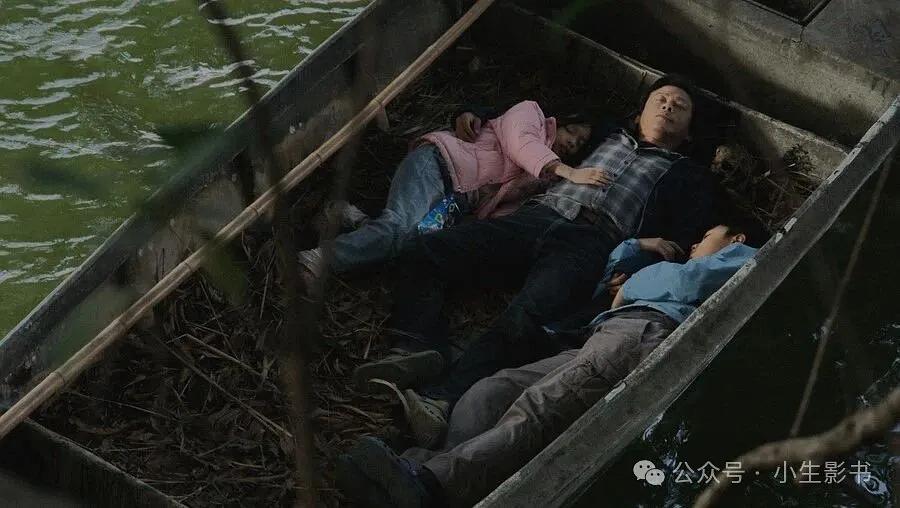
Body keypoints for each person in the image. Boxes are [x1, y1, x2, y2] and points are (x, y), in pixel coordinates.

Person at [354, 74, 724, 420]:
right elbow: (540, 115)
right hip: (536, 216)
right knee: (426, 250)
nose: (668, 106)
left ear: (690, 130)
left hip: (593, 242)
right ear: (640, 110)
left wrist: (634, 266)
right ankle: (416, 344)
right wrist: (476, 112)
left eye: (679, 106)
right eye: (661, 98)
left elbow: (679, 241)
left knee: (527, 318)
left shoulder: (691, 177)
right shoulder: (605, 131)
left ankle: (441, 400)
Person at [337, 222, 761, 508]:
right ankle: (427, 471)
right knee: (495, 389)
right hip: (603, 334)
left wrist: (635, 282)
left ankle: (433, 485)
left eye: (707, 235)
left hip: (644, 332)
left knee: (542, 406)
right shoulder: (665, 272)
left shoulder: (746, 256)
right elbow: (610, 272)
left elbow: (683, 280)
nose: (695, 244)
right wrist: (637, 249)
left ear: (735, 237)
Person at [297, 100, 595, 279]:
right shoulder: (530, 115)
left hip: (456, 202)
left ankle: (347, 216)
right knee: (398, 229)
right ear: (560, 121)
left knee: (411, 248)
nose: (572, 142)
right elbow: (522, 145)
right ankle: (313, 262)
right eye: (572, 131)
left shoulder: (541, 178)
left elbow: (504, 207)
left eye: (579, 143)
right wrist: (567, 171)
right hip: (439, 163)